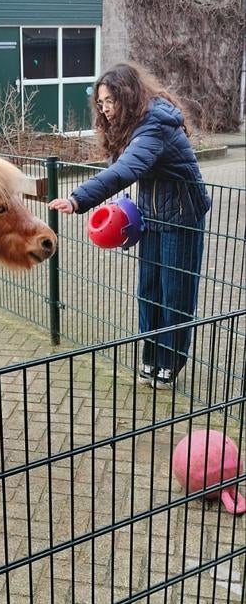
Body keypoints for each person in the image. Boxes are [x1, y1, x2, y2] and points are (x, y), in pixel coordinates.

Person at [50, 62, 211, 389]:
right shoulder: (130, 124)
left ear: (128, 96)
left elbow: (124, 171)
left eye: (110, 101)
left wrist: (79, 199)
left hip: (182, 217)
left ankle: (170, 361)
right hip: (151, 215)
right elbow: (119, 166)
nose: (105, 109)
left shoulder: (156, 124)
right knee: (149, 290)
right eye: (101, 102)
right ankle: (151, 356)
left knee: (175, 294)